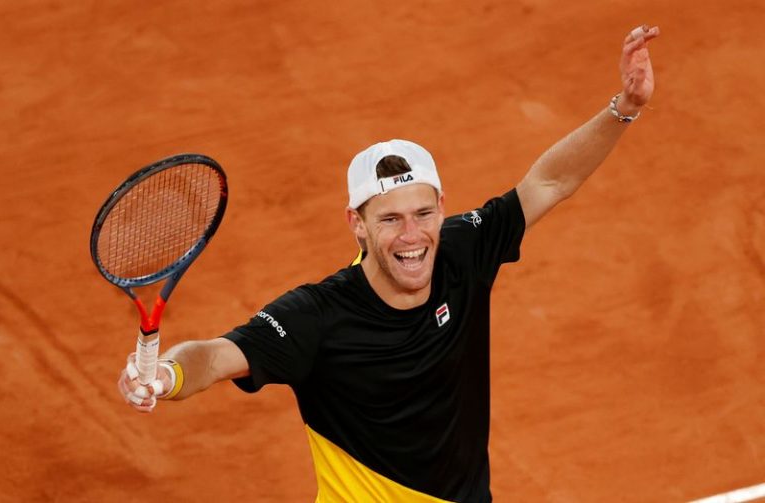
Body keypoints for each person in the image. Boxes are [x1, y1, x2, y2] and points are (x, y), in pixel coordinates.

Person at [118, 25, 660, 502]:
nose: (411, 236)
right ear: (355, 222)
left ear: (442, 208)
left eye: (423, 213)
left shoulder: (462, 249)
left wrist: (625, 107)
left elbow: (550, 181)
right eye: (389, 219)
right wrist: (166, 375)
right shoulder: (317, 317)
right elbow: (217, 357)